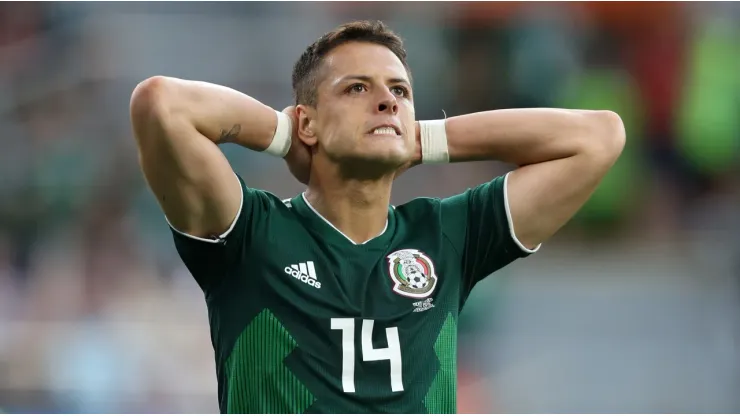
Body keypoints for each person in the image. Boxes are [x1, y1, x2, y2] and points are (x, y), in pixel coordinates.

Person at [129, 20, 624, 414]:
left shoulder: (446, 236)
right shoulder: (252, 234)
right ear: (308, 120)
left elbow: (598, 137)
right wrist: (285, 136)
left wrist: (422, 137)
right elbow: (162, 104)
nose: (387, 100)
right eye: (357, 89)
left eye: (400, 92)